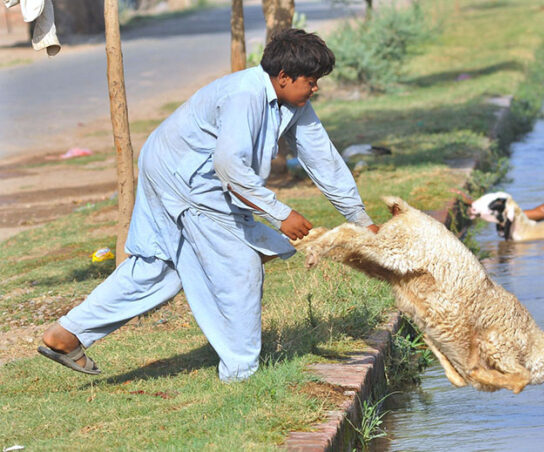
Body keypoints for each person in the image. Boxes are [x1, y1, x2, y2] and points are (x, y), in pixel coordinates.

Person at [37, 29, 379, 382]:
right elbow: (230, 168)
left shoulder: (294, 104)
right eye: (311, 81)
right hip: (186, 179)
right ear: (283, 77)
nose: (315, 89)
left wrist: (362, 221)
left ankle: (66, 335)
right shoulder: (245, 96)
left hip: (184, 171)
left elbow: (324, 161)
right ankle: (241, 373)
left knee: (161, 269)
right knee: (240, 268)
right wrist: (281, 214)